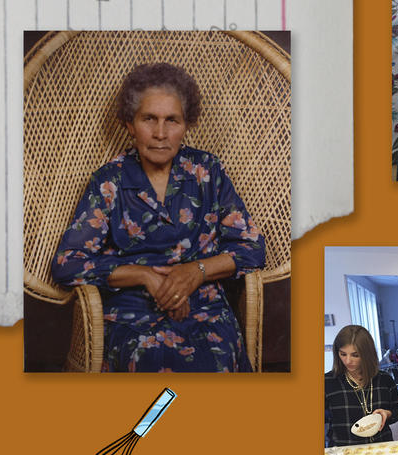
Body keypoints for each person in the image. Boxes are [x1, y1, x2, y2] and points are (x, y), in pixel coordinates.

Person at [51, 63, 265, 372]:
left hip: (205, 307)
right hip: (132, 311)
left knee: (217, 359)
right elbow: (67, 262)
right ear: (129, 124)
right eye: (149, 118)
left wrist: (196, 272)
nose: (161, 133)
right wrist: (145, 276)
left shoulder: (207, 171)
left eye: (172, 120)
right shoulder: (109, 180)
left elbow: (252, 248)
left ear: (186, 124)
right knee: (148, 358)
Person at [325, 325, 398, 446]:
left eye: (355, 355)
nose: (348, 361)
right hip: (344, 450)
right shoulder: (328, 382)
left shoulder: (384, 379)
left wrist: (388, 414)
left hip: (382, 448)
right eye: (343, 354)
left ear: (367, 354)